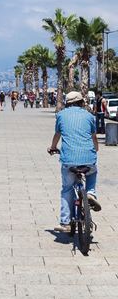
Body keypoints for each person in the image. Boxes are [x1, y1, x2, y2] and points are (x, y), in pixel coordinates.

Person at [48, 90, 101, 233]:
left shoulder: (61, 115)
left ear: (67, 103)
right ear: (82, 102)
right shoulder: (89, 116)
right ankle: (90, 193)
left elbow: (57, 134)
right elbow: (94, 138)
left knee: (67, 188)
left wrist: (53, 148)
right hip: (88, 158)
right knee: (92, 171)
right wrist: (95, 149)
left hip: (69, 160)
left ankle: (65, 222)